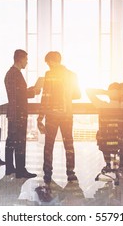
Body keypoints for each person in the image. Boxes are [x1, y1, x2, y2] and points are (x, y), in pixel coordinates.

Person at [37, 51, 81, 183]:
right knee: (69, 144)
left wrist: (40, 117)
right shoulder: (72, 75)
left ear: (52, 61)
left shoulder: (49, 75)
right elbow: (78, 95)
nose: (48, 66)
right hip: (67, 114)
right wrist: (65, 97)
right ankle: (70, 173)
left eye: (48, 63)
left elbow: (45, 97)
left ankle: (47, 173)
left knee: (49, 145)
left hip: (52, 115)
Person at [4, 49, 41, 178]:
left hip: (14, 113)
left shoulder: (12, 73)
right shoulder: (15, 74)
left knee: (11, 141)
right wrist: (33, 92)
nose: (27, 62)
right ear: (20, 59)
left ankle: (10, 168)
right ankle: (20, 170)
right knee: (19, 141)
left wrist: (30, 90)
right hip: (18, 113)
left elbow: (19, 92)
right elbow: (20, 94)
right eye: (26, 59)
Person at [86, 82, 123, 172]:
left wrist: (105, 92)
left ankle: (108, 164)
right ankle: (121, 165)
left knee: (102, 134)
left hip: (106, 142)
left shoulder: (101, 105)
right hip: (120, 141)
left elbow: (88, 91)